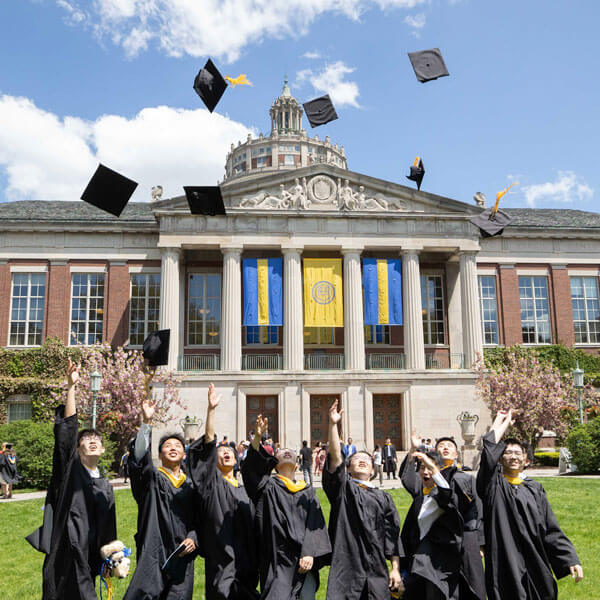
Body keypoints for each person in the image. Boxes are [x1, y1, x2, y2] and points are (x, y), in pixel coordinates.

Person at [26, 358, 117, 600]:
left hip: (88, 558)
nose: (93, 440)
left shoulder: (106, 486)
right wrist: (71, 388)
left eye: (97, 439)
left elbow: (109, 526)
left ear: (104, 450)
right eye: (86, 439)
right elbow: (67, 432)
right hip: (64, 556)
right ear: (77, 450)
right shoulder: (70, 472)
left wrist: (109, 558)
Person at [476, 409, 583, 600]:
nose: (514, 456)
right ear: (500, 459)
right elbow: (488, 452)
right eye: (508, 452)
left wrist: (569, 558)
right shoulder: (493, 485)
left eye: (518, 453)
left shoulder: (534, 489)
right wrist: (501, 421)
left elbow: (550, 527)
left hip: (534, 557)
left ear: (526, 460)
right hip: (504, 559)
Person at [123, 368, 199, 600]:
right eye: (168, 446)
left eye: (178, 446)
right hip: (153, 549)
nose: (174, 448)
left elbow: (200, 518)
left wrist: (194, 538)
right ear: (160, 453)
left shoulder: (191, 485)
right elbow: (139, 458)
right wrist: (146, 422)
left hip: (182, 552)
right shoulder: (152, 479)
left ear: (185, 454)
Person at [241, 414, 331, 599]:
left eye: (291, 452)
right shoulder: (266, 488)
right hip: (276, 559)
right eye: (281, 452)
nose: (287, 452)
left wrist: (310, 553)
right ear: (274, 465)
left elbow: (315, 525)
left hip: (303, 561)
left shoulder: (307, 492)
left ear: (297, 465)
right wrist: (257, 437)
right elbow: (251, 468)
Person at [324, 400, 404, 599]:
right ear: (348, 468)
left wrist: (395, 569)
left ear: (372, 469)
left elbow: (392, 536)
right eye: (356, 459)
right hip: (346, 568)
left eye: (367, 460)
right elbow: (335, 458)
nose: (362, 460)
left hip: (376, 569)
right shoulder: (343, 489)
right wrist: (333, 425)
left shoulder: (383, 497)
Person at [188, 383, 259, 599]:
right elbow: (208, 447)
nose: (226, 453)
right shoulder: (211, 483)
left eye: (230, 451)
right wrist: (211, 411)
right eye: (222, 451)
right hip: (221, 555)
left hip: (247, 556)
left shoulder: (245, 488)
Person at [400, 430, 485, 599]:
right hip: (432, 543)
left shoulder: (465, 478)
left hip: (463, 538)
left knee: (470, 583)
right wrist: (413, 450)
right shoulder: (426, 483)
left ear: (456, 454)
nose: (445, 448)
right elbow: (408, 479)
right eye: (441, 445)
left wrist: (480, 541)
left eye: (449, 446)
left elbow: (478, 509)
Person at [400, 448, 464, 599]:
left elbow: (445, 492)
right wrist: (411, 450)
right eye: (422, 468)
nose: (426, 472)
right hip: (417, 560)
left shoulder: (443, 497)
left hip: (437, 564)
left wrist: (432, 466)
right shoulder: (420, 497)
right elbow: (407, 479)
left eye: (430, 469)